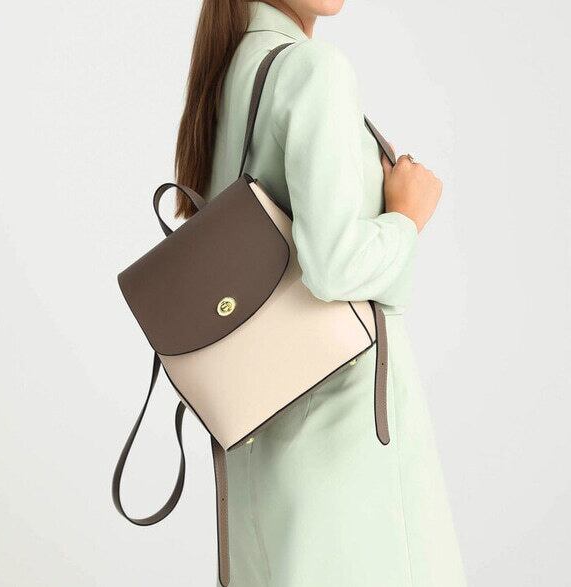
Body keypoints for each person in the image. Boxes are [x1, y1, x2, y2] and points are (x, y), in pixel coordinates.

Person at [174, 1, 467, 585]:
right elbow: (335, 266)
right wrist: (406, 218)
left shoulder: (229, 75)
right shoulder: (313, 69)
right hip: (343, 446)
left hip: (259, 447)